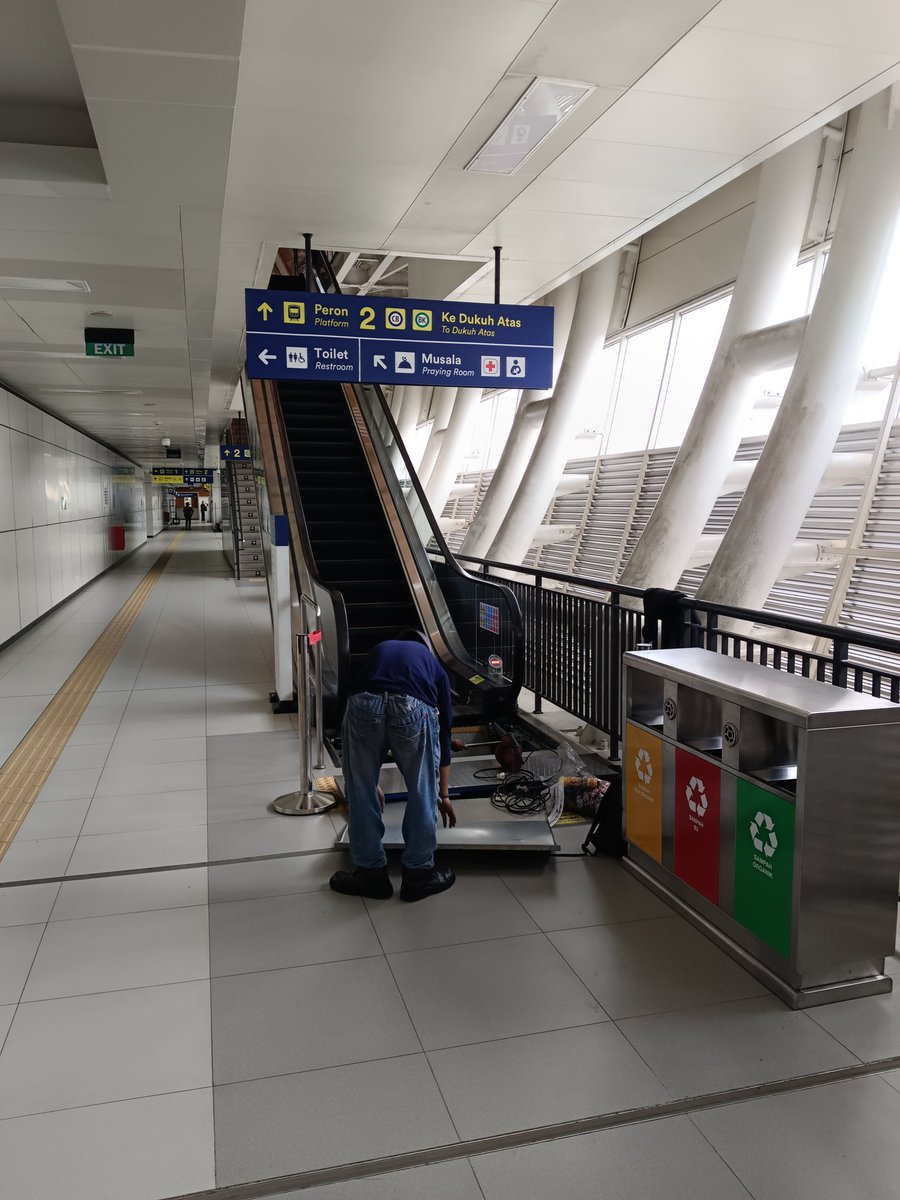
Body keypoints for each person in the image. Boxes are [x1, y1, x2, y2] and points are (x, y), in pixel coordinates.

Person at [330, 629, 457, 902]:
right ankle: (419, 876)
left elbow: (353, 706)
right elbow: (444, 733)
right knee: (421, 790)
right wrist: (443, 795)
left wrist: (368, 780)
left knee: (360, 791)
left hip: (364, 705)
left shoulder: (379, 651)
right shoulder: (432, 663)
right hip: (412, 708)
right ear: (425, 647)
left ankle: (370, 874)